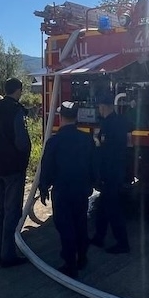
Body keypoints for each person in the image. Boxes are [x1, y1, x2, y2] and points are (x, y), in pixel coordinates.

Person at [38, 102, 97, 278]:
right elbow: (94, 164)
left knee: (65, 225)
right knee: (80, 223)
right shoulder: (86, 139)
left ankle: (70, 263)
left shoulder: (54, 141)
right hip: (81, 189)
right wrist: (93, 182)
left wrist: (43, 187)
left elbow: (47, 166)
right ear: (77, 117)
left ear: (60, 117)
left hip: (62, 190)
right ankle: (83, 258)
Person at [0, 78, 32, 267]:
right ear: (18, 90)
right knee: (12, 212)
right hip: (13, 168)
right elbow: (21, 142)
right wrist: (24, 159)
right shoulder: (16, 110)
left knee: (0, 210)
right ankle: (8, 256)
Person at [91, 90, 133, 254]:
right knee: (103, 204)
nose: (98, 110)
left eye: (99, 107)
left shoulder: (108, 125)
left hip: (110, 170)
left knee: (112, 207)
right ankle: (99, 237)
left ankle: (123, 243)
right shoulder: (122, 120)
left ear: (103, 106)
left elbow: (103, 151)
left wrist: (97, 172)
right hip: (119, 168)